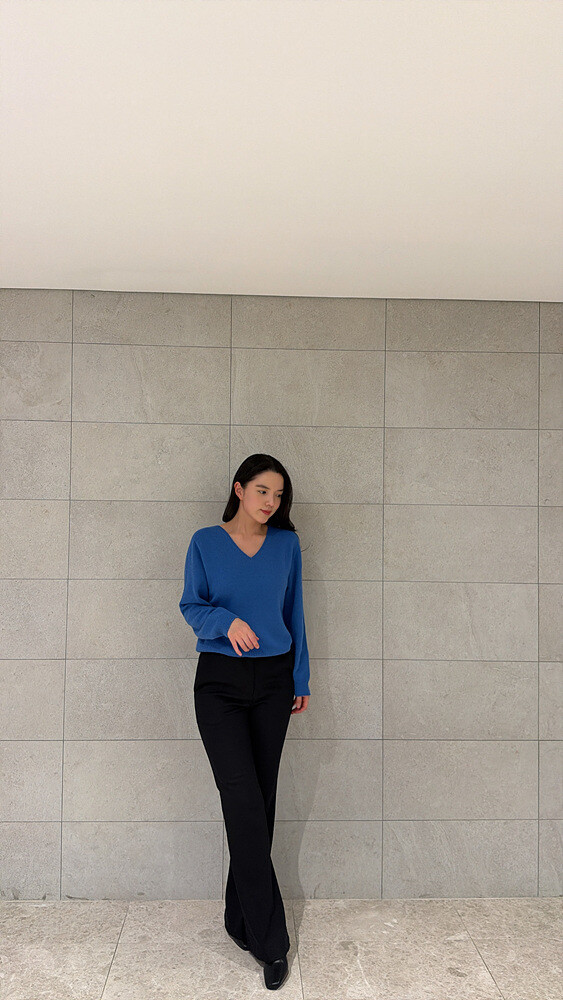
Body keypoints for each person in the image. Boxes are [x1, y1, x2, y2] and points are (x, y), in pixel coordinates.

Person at [179, 453, 310, 991]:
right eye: (262, 491)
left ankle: (240, 917)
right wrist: (225, 620)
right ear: (239, 489)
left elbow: (295, 612)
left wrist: (301, 678)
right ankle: (271, 942)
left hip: (275, 682)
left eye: (278, 495)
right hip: (220, 684)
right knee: (243, 800)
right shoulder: (205, 542)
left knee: (262, 800)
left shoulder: (286, 545)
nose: (270, 503)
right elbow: (190, 605)